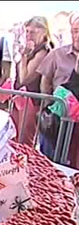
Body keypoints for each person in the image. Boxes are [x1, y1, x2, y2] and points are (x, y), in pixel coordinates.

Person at [37, 15, 79, 164]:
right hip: (57, 119)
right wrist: (49, 103)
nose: (78, 35)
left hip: (76, 125)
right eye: (75, 31)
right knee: (49, 162)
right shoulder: (57, 54)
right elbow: (45, 80)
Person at [12, 16, 53, 147]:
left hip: (31, 101)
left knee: (24, 141)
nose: (29, 35)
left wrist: (24, 56)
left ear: (44, 32)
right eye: (27, 31)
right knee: (14, 136)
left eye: (33, 32)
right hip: (21, 98)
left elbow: (25, 78)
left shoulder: (43, 52)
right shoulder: (32, 50)